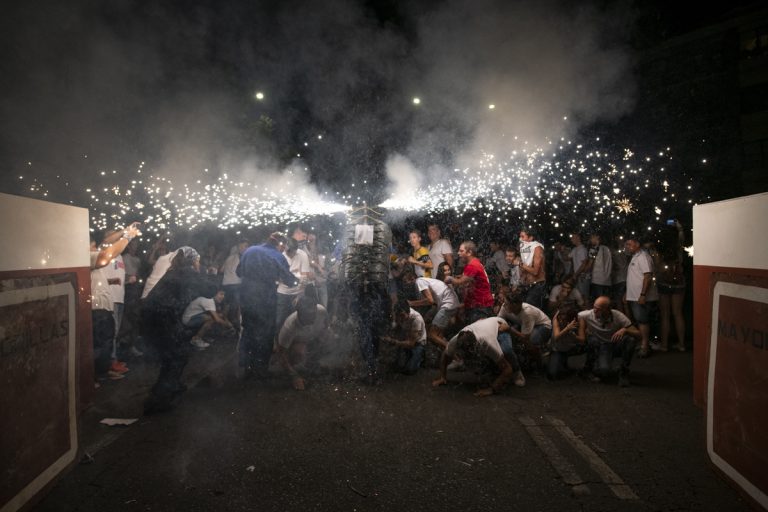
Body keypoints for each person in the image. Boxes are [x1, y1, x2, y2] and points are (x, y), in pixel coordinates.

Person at [141, 246, 217, 413]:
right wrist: (209, 273)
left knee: (173, 354)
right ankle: (159, 399)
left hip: (153, 316)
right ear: (193, 261)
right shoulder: (186, 273)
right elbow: (210, 290)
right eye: (197, 261)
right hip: (163, 317)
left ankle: (167, 387)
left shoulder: (174, 271)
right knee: (177, 355)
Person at [237, 232, 298, 378]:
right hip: (265, 300)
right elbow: (289, 280)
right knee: (266, 334)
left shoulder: (250, 250)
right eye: (284, 247)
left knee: (249, 330)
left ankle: (246, 366)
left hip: (246, 298)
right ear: (280, 244)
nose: (284, 250)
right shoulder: (277, 256)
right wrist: (297, 280)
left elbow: (238, 272)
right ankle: (261, 369)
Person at [90, 222, 141, 383]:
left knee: (110, 336)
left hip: (112, 300)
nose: (95, 246)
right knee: (102, 341)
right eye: (93, 244)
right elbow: (105, 246)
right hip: (100, 304)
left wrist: (125, 231)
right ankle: (99, 375)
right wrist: (127, 236)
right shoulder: (91, 254)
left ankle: (104, 370)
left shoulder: (112, 253)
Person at [432, 317, 524, 397]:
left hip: (500, 326)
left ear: (476, 345)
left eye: (469, 351)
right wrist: (442, 377)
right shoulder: (454, 341)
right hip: (483, 325)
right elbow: (445, 356)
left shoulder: (487, 343)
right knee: (474, 362)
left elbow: (508, 369)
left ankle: (518, 371)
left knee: (506, 350)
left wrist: (491, 389)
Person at [578, 296, 641, 387]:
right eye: (594, 307)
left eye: (598, 309)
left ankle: (623, 371)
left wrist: (625, 330)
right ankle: (588, 369)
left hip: (615, 344)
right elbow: (576, 316)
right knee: (604, 372)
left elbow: (639, 335)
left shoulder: (618, 316)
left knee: (630, 340)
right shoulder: (586, 315)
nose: (594, 310)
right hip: (602, 346)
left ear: (607, 310)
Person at [272, 293, 328, 390]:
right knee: (298, 354)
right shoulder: (290, 326)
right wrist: (294, 376)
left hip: (312, 336)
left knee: (329, 337)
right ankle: (292, 368)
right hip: (297, 341)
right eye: (309, 315)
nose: (313, 318)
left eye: (314, 313)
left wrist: (320, 338)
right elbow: (281, 353)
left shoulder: (321, 310)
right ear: (300, 313)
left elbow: (326, 322)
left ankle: (312, 363)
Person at [401, 269, 459, 350]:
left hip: (448, 304)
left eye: (405, 281)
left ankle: (452, 351)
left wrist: (411, 303)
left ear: (412, 278)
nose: (405, 284)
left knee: (432, 334)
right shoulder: (423, 281)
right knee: (438, 335)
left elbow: (430, 301)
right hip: (451, 304)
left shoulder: (419, 282)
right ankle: (444, 352)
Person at [624, 236, 659, 358]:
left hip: (642, 297)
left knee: (643, 320)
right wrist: (627, 293)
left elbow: (648, 276)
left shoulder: (643, 256)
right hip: (635, 296)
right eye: (626, 244)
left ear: (637, 243)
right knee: (640, 320)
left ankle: (645, 346)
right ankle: (644, 343)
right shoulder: (635, 256)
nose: (627, 246)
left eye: (629, 244)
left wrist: (643, 295)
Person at [655, 221, 687, 352]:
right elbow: (682, 236)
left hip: (663, 283)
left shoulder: (659, 248)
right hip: (679, 283)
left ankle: (664, 345)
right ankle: (681, 345)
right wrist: (679, 227)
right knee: (678, 314)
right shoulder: (679, 247)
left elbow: (657, 267)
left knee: (665, 315)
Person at [445, 241, 494, 324]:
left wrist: (449, 278)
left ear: (469, 252)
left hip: (480, 305)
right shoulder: (474, 262)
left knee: (477, 331)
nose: (458, 253)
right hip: (478, 304)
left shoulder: (472, 265)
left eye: (461, 251)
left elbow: (459, 282)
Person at [497, 292, 552, 356]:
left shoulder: (527, 313)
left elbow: (525, 337)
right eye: (505, 302)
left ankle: (542, 349)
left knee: (529, 341)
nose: (504, 305)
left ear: (515, 305)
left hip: (543, 325)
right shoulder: (505, 307)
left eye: (507, 304)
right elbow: (498, 320)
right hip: (524, 323)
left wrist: (510, 329)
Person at [381, 299, 427, 375]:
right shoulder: (399, 313)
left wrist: (393, 341)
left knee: (410, 370)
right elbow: (397, 327)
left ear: (408, 312)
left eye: (402, 315)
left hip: (417, 343)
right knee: (397, 366)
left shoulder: (416, 319)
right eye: (398, 315)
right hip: (406, 338)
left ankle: (421, 356)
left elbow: (411, 343)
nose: (400, 318)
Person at [220, 239, 249, 335]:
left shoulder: (229, 257)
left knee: (227, 306)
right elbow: (244, 273)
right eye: (244, 246)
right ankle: (239, 328)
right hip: (236, 284)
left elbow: (221, 270)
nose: (245, 248)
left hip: (225, 283)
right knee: (238, 306)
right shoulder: (243, 257)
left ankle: (224, 326)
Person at [548, 305, 584, 380]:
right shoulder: (556, 318)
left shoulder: (579, 320)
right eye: (560, 318)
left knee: (590, 344)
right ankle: (561, 361)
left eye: (564, 319)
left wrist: (574, 336)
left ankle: (587, 368)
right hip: (558, 348)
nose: (561, 320)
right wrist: (567, 329)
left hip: (572, 347)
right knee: (552, 374)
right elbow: (556, 337)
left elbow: (582, 339)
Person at [518, 228, 547, 310]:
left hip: (538, 284)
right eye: (520, 236)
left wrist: (520, 264)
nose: (520, 239)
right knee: (525, 308)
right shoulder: (524, 248)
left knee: (531, 310)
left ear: (530, 238)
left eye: (522, 237)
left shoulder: (537, 248)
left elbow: (535, 271)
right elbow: (525, 268)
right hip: (528, 285)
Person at [587, 233, 613, 304]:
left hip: (597, 279)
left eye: (592, 237)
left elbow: (590, 264)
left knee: (599, 303)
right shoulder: (607, 248)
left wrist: (583, 272)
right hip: (607, 280)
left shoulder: (593, 249)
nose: (590, 240)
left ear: (597, 237)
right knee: (606, 302)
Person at [569, 232, 590, 300]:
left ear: (578, 238)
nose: (571, 239)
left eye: (573, 238)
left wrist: (575, 274)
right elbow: (567, 258)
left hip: (583, 277)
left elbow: (584, 264)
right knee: (578, 296)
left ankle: (587, 310)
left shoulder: (582, 249)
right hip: (578, 276)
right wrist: (561, 250)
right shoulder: (574, 249)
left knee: (583, 297)